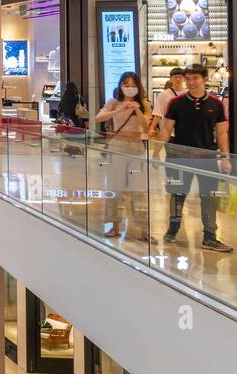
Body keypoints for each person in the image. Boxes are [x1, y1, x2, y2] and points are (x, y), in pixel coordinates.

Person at [157, 65, 233, 251]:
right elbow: (166, 129)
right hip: (178, 157)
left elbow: (222, 133)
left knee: (208, 197)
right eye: (188, 78)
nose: (191, 82)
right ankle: (172, 229)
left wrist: (225, 157)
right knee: (177, 194)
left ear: (205, 79)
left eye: (195, 78)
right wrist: (156, 152)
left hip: (207, 157)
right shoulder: (176, 102)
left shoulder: (215, 104)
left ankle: (210, 236)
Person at [94, 70, 151, 239]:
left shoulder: (144, 104)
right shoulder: (113, 102)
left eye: (133, 85)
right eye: (127, 85)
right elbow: (99, 118)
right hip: (117, 146)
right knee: (115, 187)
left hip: (136, 147)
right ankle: (114, 226)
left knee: (139, 189)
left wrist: (138, 110)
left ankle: (143, 229)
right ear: (121, 86)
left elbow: (146, 126)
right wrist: (120, 110)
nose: (130, 88)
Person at [149, 68, 186, 138]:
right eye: (175, 77)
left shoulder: (188, 93)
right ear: (170, 78)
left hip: (186, 132)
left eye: (180, 77)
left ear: (184, 78)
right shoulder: (163, 94)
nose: (178, 79)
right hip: (169, 133)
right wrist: (152, 128)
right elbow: (158, 113)